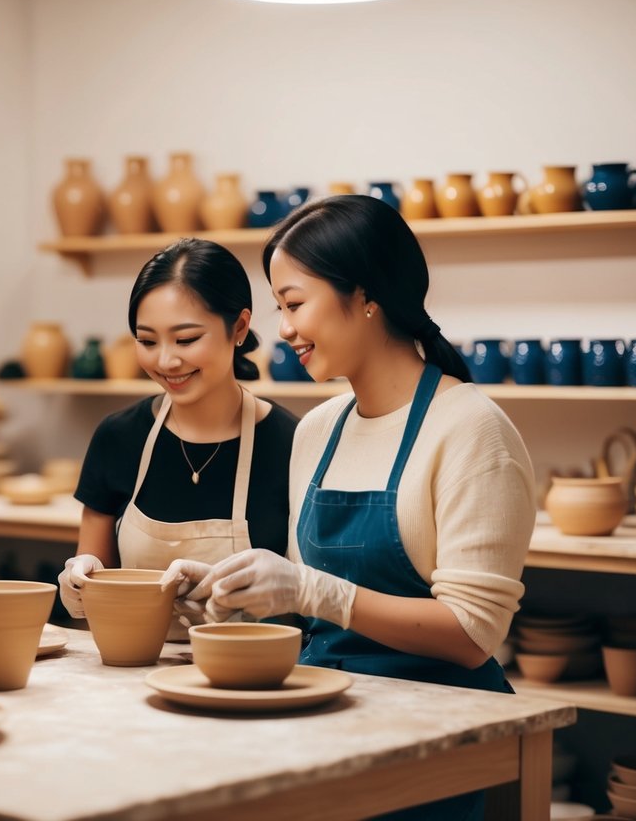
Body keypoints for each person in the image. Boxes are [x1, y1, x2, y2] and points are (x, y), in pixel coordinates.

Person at [167, 195, 536, 820]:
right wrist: (231, 594)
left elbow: (474, 634)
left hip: (438, 741)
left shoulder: (472, 431)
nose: (282, 328)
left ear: (364, 297)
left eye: (294, 303)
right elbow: (305, 606)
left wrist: (317, 592)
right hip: (328, 717)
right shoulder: (317, 430)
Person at [58, 238, 298, 632]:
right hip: (137, 671)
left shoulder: (291, 444)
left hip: (255, 678)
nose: (166, 361)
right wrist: (81, 580)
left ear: (238, 327)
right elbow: (94, 580)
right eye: (147, 341)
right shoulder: (118, 437)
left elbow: (311, 603)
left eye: (186, 339)